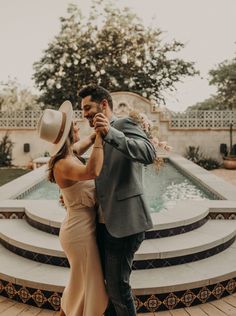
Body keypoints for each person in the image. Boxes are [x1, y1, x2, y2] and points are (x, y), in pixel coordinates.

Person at [78, 85, 156, 316]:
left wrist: (111, 133)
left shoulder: (122, 125)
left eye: (88, 107)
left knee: (118, 288)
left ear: (103, 104)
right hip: (102, 224)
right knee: (108, 289)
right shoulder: (95, 137)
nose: (84, 114)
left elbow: (149, 153)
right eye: (82, 109)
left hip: (124, 222)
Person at [37, 100, 108, 316]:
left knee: (81, 284)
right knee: (86, 285)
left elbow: (87, 139)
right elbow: (93, 171)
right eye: (74, 126)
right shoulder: (63, 163)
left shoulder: (68, 154)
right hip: (79, 233)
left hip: (79, 227)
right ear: (67, 133)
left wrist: (101, 130)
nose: (78, 127)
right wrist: (101, 139)